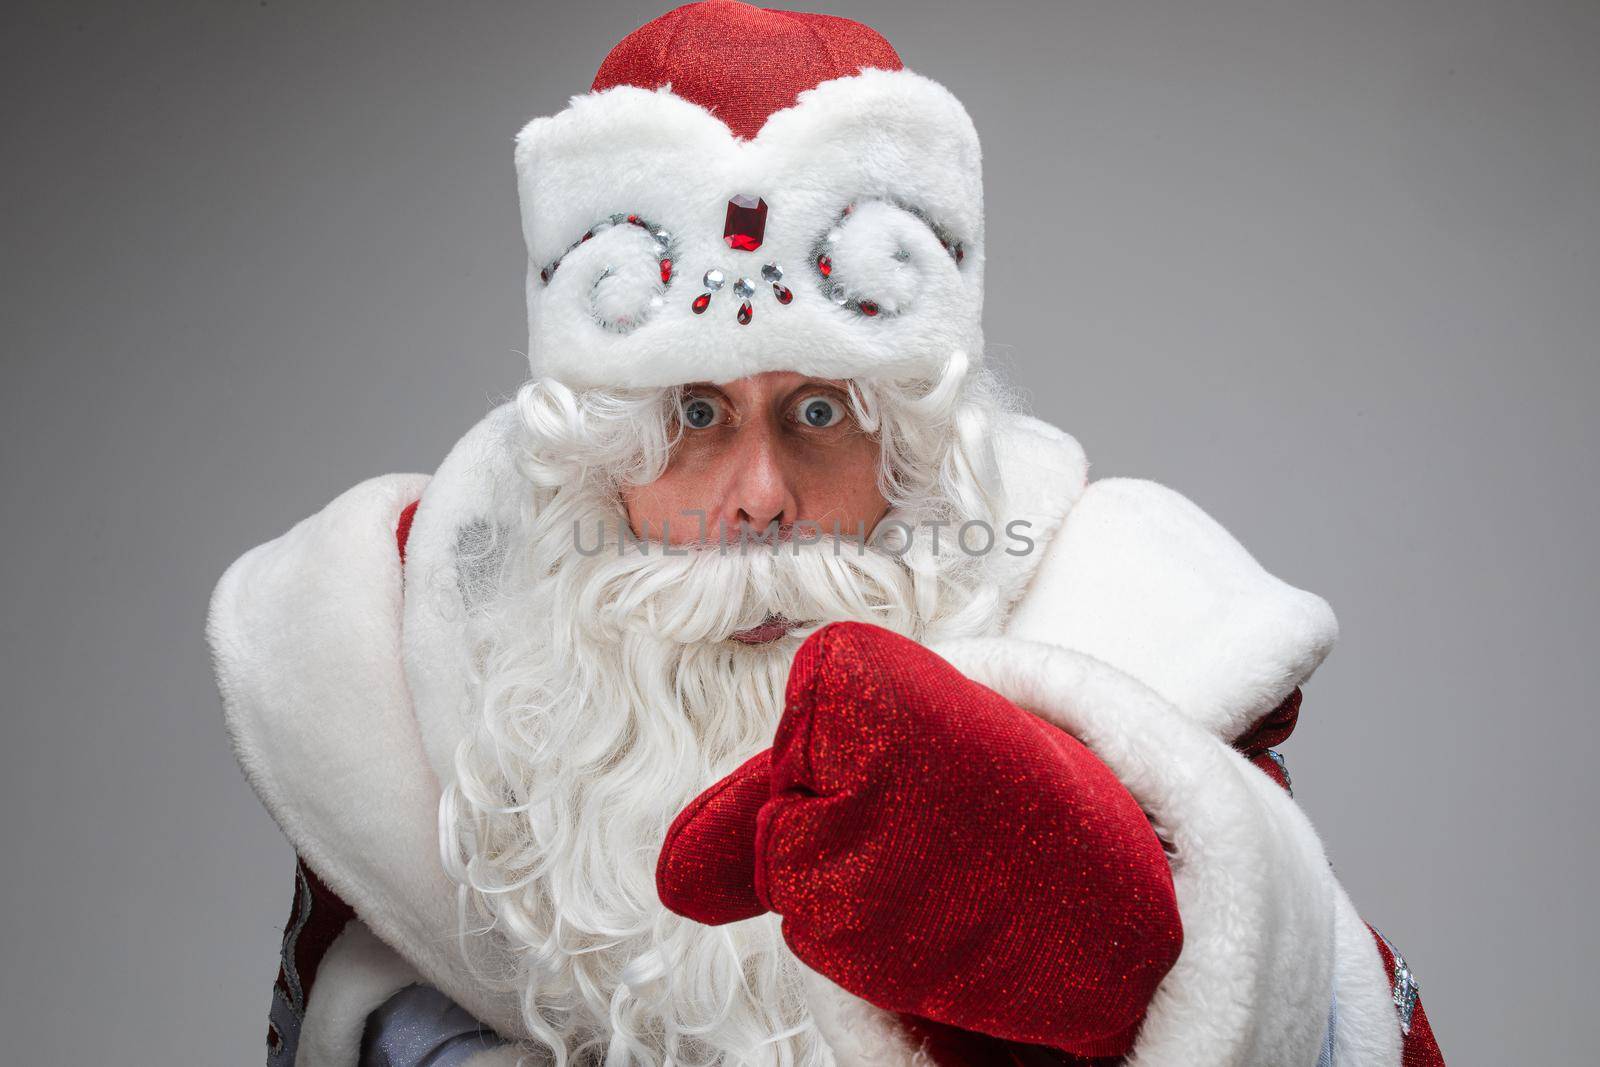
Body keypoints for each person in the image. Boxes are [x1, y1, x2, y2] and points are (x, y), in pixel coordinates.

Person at [206, 3, 1445, 1065]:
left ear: (917, 444)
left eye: (819, 410)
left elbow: (1349, 1018)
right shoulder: (418, 680)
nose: (757, 495)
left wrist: (1104, 946)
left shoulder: (1127, 635)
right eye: (694, 412)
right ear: (591, 453)